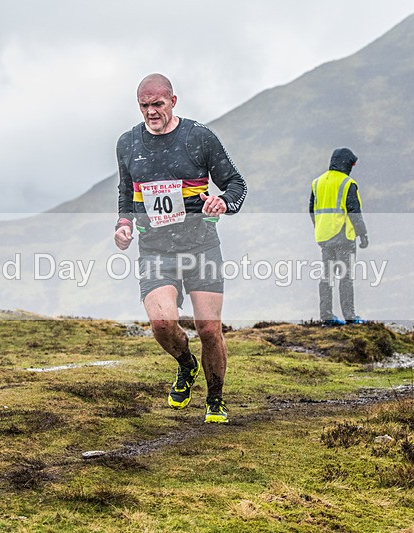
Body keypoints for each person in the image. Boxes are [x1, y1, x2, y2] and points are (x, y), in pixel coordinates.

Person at [114, 74, 247, 424]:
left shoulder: (198, 137)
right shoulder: (128, 143)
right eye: (144, 105)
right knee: (161, 323)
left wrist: (223, 202)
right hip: (155, 250)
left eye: (157, 104)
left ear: (173, 101)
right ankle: (186, 365)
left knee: (209, 330)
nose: (151, 112)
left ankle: (215, 399)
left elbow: (236, 184)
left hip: (201, 247)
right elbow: (126, 192)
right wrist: (123, 224)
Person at [309, 148, 368, 325]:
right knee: (345, 277)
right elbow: (354, 212)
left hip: (324, 237)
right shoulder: (347, 183)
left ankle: (326, 316)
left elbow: (312, 210)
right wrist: (362, 233)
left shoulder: (317, 183)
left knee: (327, 277)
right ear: (347, 163)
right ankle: (350, 316)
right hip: (343, 238)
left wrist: (320, 227)